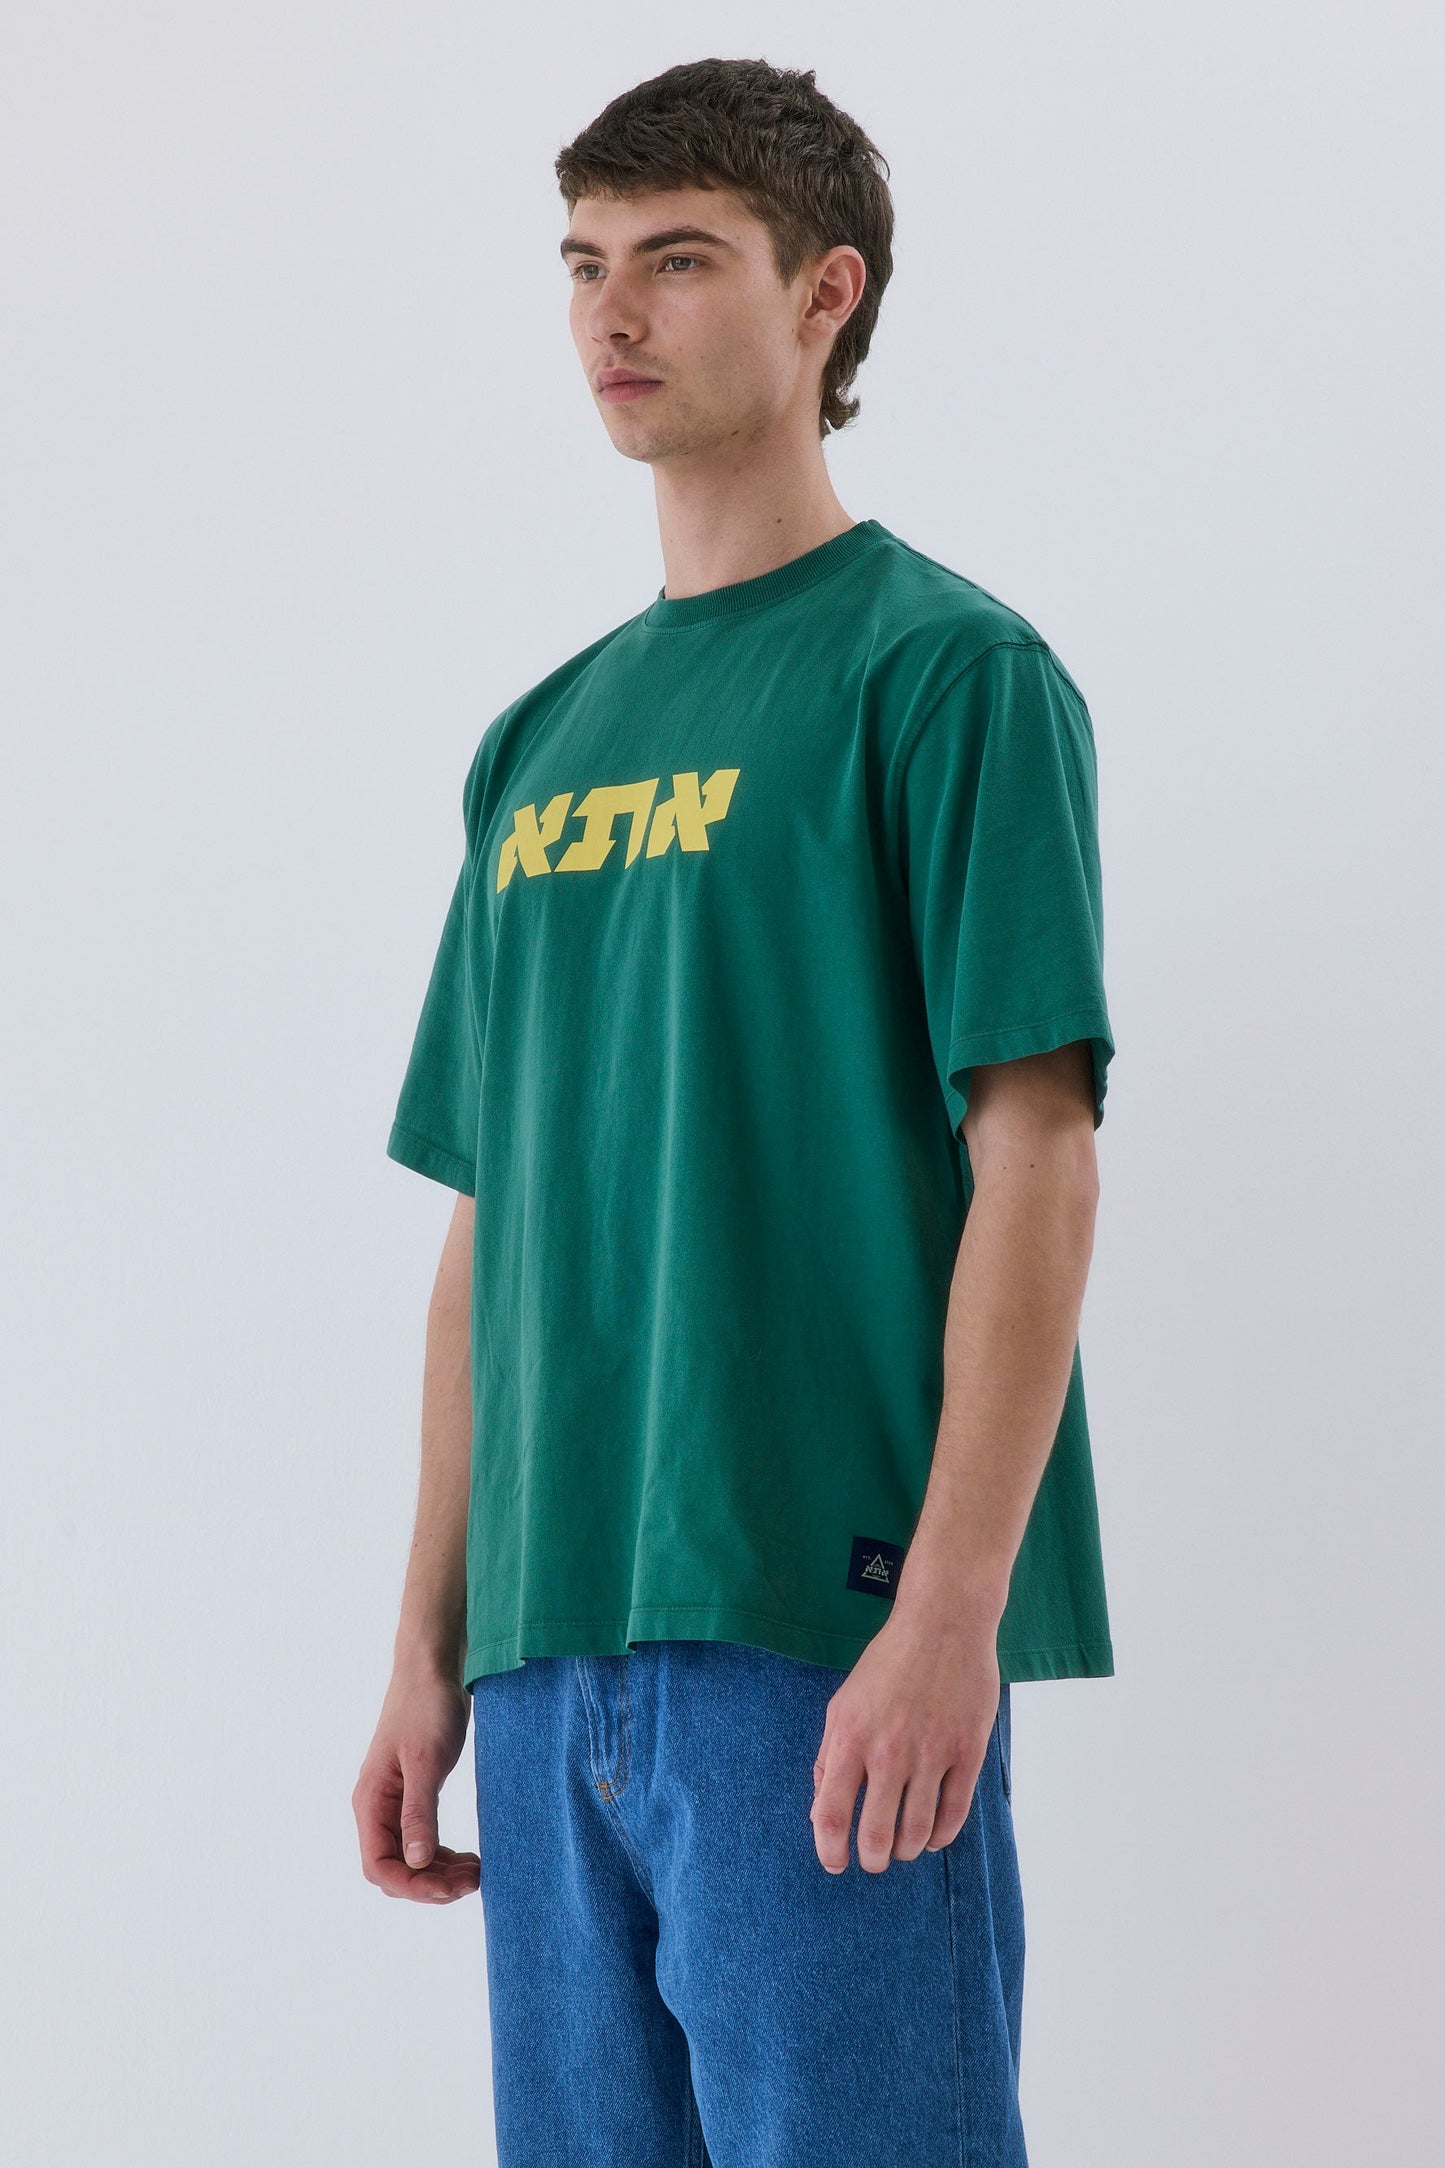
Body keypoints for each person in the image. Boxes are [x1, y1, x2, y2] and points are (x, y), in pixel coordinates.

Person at [353, 54, 1117, 2168]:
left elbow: (1037, 1157)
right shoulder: (537, 741)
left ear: (823, 295)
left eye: (678, 260)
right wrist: (428, 1642)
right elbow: (488, 1225)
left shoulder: (944, 676)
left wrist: (949, 1611)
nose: (611, 313)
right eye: (583, 263)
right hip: (549, 1651)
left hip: (815, 1618)